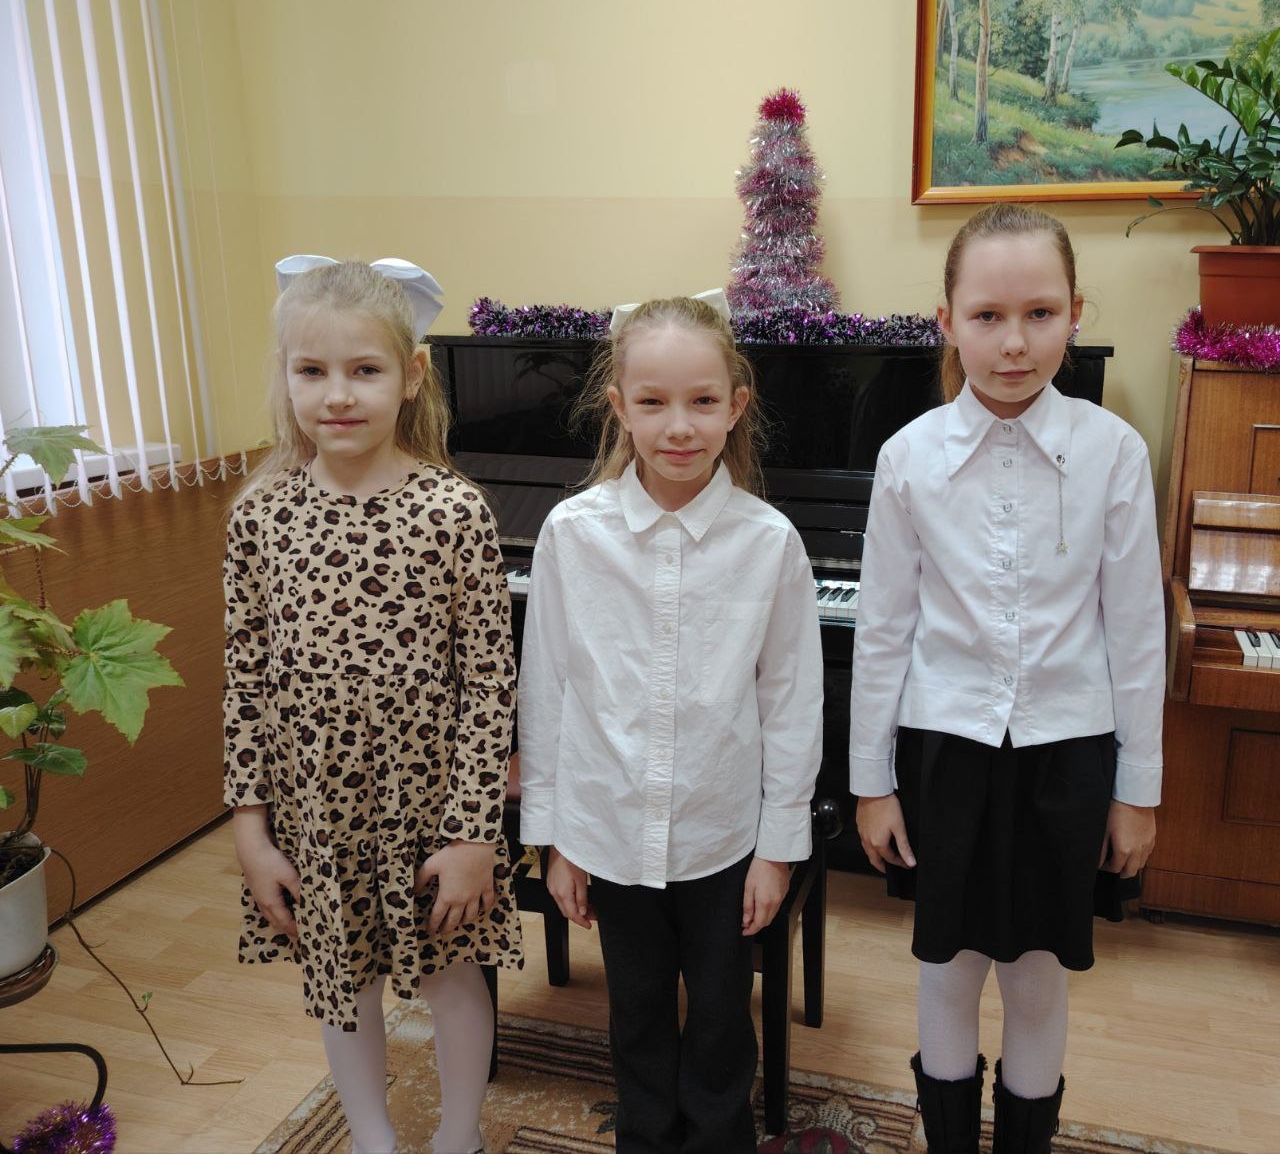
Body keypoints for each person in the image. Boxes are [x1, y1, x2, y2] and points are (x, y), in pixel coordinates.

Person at [850, 203, 1164, 1154]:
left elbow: (1136, 633)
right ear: (946, 320)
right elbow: (883, 630)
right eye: (987, 316)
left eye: (1040, 314)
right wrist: (871, 783)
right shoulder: (909, 458)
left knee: (1036, 975)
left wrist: (1137, 790)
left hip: (1068, 755)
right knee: (947, 968)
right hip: (947, 751)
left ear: (1075, 314)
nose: (1015, 342)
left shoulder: (1114, 453)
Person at [223, 256, 522, 1154]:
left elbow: (490, 685)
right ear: (285, 377)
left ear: (411, 375)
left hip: (434, 803)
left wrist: (473, 833)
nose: (338, 395)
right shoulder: (260, 516)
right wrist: (250, 829)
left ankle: (459, 1136)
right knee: (341, 980)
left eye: (364, 369)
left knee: (452, 974)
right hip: (317, 808)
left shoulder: (454, 511)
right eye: (312, 370)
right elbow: (244, 681)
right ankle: (372, 1139)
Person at [517, 292, 824, 1153]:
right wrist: (556, 839)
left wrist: (778, 849)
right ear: (619, 408)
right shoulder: (572, 535)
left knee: (722, 1019)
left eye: (701, 401)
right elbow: (547, 691)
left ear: (736, 406)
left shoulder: (770, 543)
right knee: (638, 1013)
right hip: (610, 831)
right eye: (652, 402)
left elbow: (792, 704)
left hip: (721, 840)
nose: (678, 426)